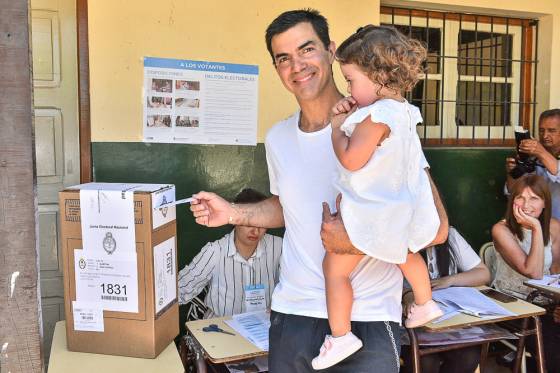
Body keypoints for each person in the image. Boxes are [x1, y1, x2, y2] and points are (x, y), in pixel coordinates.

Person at [189, 9, 448, 373]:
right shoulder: (278, 138)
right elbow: (288, 207)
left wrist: (354, 241)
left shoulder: (382, 124)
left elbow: (433, 227)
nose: (297, 66)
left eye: (306, 49)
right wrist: (233, 213)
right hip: (293, 313)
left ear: (330, 50)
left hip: (369, 315)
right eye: (284, 59)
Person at [309, 25, 443, 370]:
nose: (349, 87)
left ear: (379, 76)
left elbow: (352, 159)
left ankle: (341, 336)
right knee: (404, 253)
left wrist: (337, 127)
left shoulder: (377, 115)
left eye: (352, 80)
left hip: (374, 212)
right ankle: (425, 302)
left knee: (334, 269)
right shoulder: (404, 111)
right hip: (401, 209)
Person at [178, 188, 282, 318]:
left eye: (261, 223)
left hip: (262, 329)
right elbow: (181, 289)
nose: (255, 231)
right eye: (249, 223)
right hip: (219, 329)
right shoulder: (215, 251)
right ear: (235, 221)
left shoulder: (279, 247)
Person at [492, 174, 560, 372]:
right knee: (554, 353)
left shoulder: (555, 227)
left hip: (547, 302)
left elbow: (556, 271)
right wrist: (537, 228)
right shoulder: (501, 229)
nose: (526, 205)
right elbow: (534, 272)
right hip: (514, 306)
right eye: (520, 197)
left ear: (545, 203)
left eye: (534, 198)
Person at [400, 227, 491, 373]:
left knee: (469, 356)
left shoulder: (449, 234)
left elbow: (483, 273)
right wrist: (408, 296)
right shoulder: (397, 236)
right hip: (412, 328)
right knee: (426, 362)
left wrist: (451, 279)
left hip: (450, 326)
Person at [505, 109, 560, 218]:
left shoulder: (539, 152)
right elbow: (513, 193)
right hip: (536, 223)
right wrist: (512, 173)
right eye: (541, 130)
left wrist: (541, 153)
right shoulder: (532, 156)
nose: (545, 136)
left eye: (552, 131)